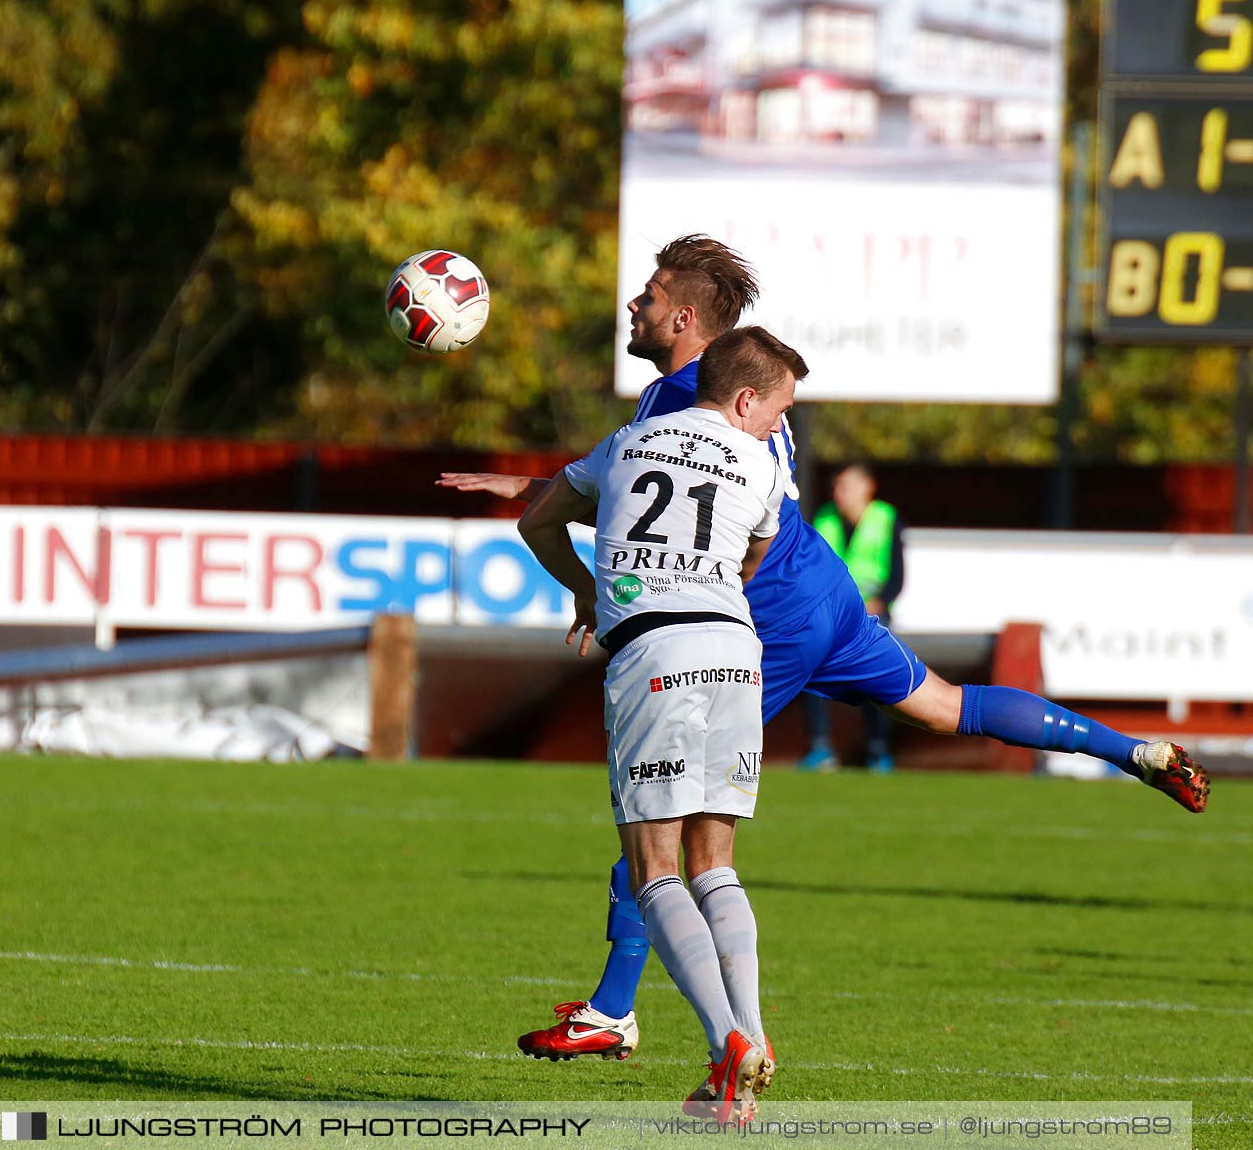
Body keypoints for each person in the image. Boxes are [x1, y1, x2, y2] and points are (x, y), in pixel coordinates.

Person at [439, 233, 1209, 1065]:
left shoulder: (677, 404)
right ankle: (1131, 750)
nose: (637, 304)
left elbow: (654, 503)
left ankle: (616, 1011)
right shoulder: (739, 397)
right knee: (947, 707)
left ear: (687, 317)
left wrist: (552, 519)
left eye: (651, 295)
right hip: (823, 587)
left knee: (664, 834)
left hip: (753, 619)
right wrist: (539, 488)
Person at [517, 326, 808, 1122]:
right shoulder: (761, 462)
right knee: (717, 864)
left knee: (655, 872)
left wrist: (588, 590)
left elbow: (537, 523)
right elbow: (750, 558)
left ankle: (727, 1047)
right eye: (780, 407)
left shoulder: (628, 440)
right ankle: (750, 1040)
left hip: (654, 653)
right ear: (746, 399)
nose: (779, 423)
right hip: (737, 652)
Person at [801, 463, 903, 773]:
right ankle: (819, 748)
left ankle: (877, 750)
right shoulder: (824, 518)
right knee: (811, 675)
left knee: (877, 681)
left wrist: (881, 601)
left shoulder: (885, 518)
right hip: (829, 612)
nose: (838, 494)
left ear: (867, 487)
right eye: (836, 487)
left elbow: (897, 574)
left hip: (872, 614)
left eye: (846, 487)